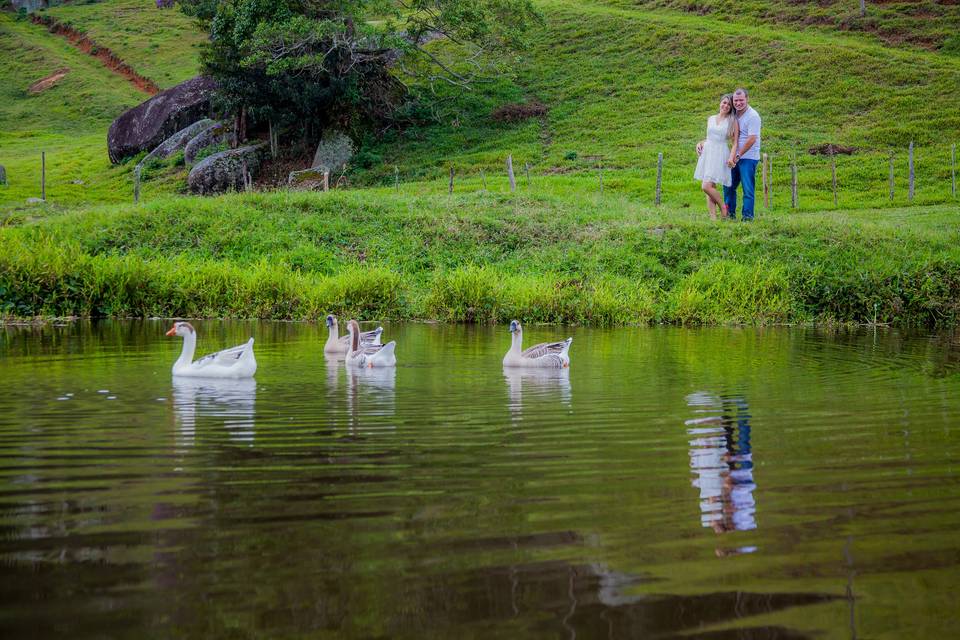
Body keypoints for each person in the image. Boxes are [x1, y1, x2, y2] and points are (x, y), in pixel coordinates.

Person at [694, 94, 738, 220]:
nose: (725, 106)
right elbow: (709, 138)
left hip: (720, 153)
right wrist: (700, 143)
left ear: (731, 108)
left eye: (729, 104)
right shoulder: (711, 118)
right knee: (710, 187)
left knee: (706, 186)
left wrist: (731, 157)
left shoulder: (732, 121)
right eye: (724, 102)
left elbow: (734, 142)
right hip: (708, 152)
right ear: (720, 103)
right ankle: (713, 218)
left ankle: (723, 207)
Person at [725, 88, 761, 221]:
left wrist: (738, 155)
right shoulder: (734, 114)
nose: (738, 103)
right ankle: (730, 215)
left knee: (747, 189)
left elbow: (752, 139)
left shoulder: (753, 116)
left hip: (748, 158)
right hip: (734, 156)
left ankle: (747, 218)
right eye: (736, 100)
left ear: (747, 99)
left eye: (741, 100)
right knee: (728, 185)